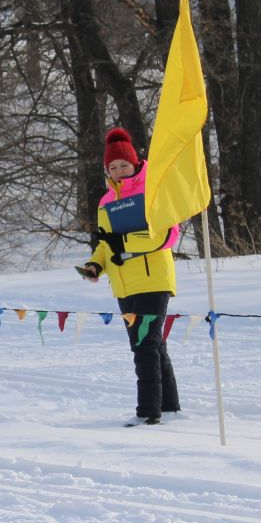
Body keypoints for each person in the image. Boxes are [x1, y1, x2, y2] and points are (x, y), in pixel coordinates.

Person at [79, 127, 181, 426]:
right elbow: (104, 242)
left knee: (144, 345)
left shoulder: (153, 190)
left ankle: (148, 413)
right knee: (153, 343)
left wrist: (124, 243)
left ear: (135, 162)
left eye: (124, 164)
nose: (119, 171)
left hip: (153, 280)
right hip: (124, 284)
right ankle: (170, 406)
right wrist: (95, 265)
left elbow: (164, 235)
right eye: (113, 167)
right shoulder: (106, 201)